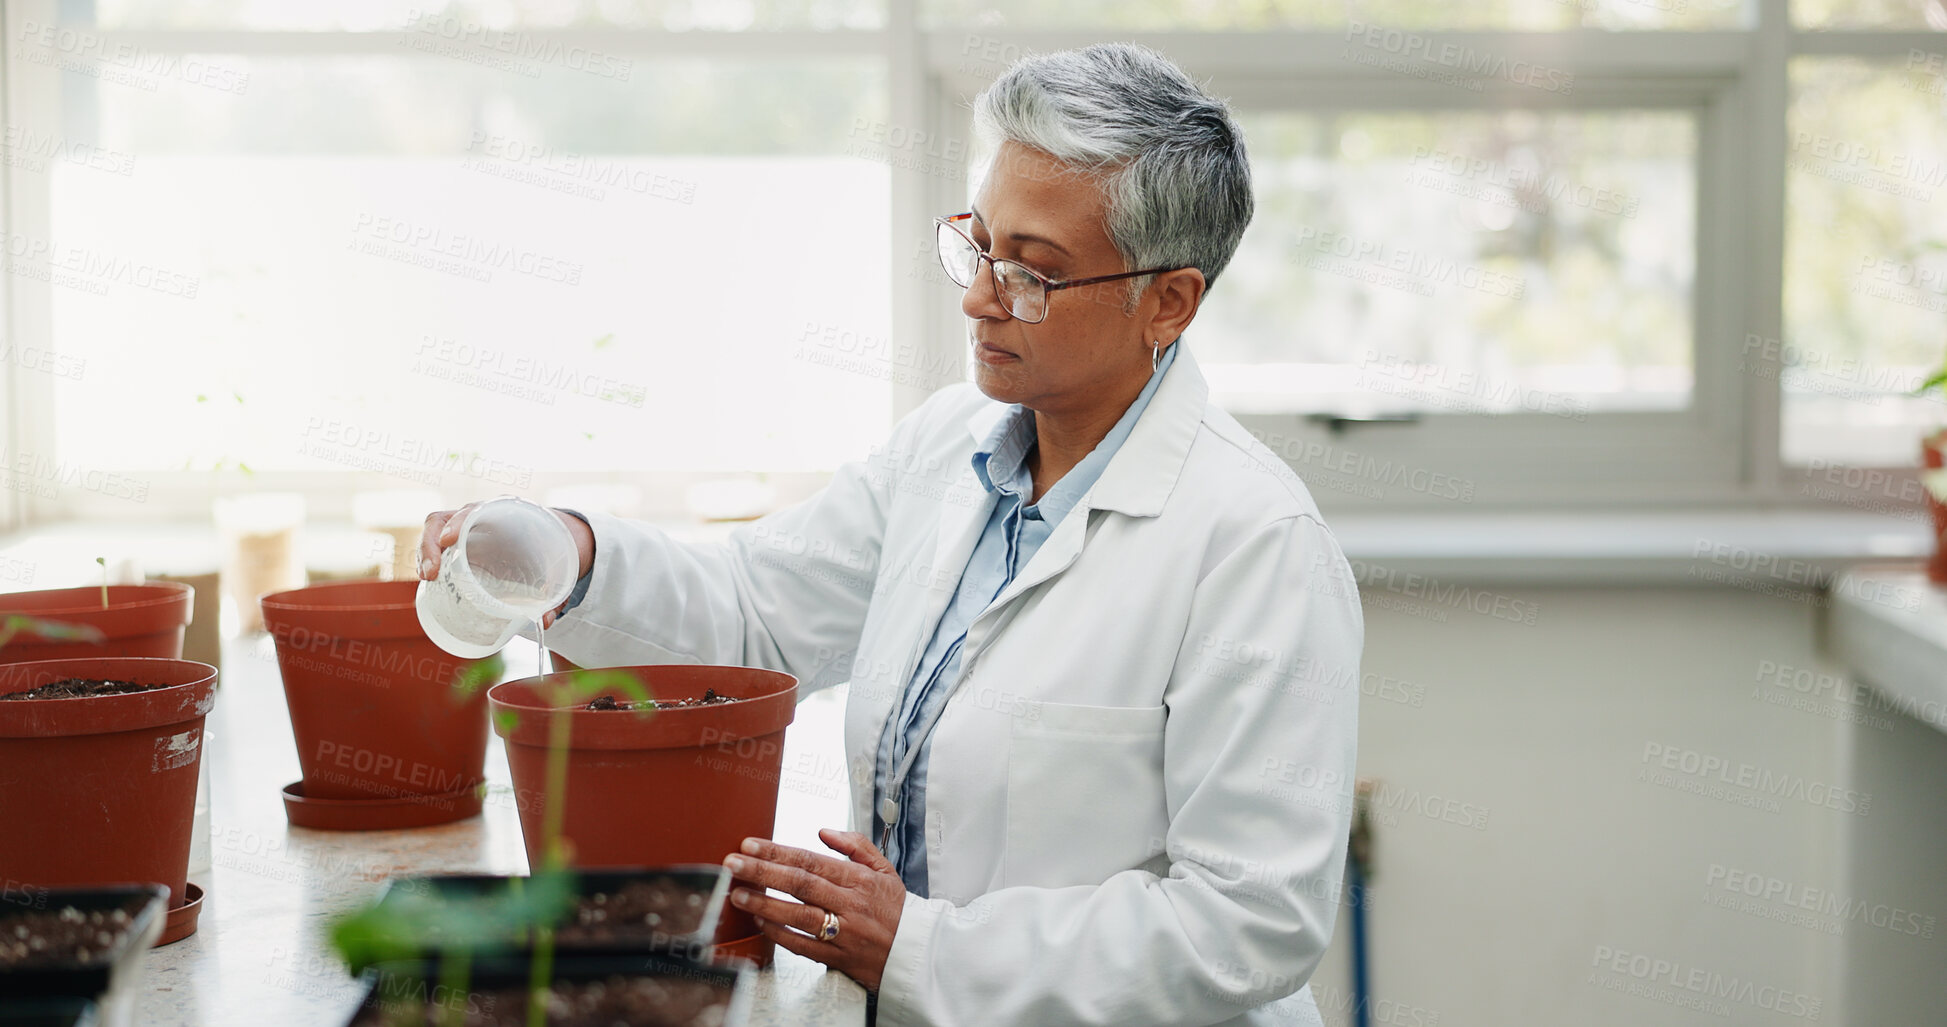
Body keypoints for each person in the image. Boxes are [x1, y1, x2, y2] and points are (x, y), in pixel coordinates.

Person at [420, 42, 1362, 1027]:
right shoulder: (947, 450)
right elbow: (754, 615)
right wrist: (570, 553)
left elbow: (1249, 922)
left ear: (1168, 302)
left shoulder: (1256, 546)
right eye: (978, 247)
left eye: (1032, 274)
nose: (978, 297)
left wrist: (920, 946)